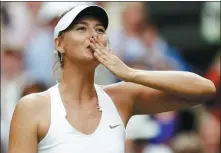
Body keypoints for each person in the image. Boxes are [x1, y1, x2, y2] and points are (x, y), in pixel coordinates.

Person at [8, 5, 216, 153]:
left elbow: (204, 89)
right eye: (81, 28)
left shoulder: (121, 98)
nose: (94, 35)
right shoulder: (32, 107)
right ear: (59, 43)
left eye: (100, 29)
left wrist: (131, 74)